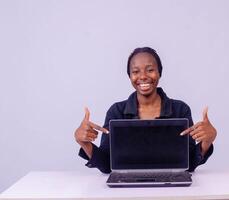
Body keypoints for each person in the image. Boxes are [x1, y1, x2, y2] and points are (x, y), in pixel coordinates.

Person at [74, 47, 217, 173]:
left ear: (159, 73)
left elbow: (189, 164)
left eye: (150, 70)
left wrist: (207, 142)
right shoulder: (116, 111)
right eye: (135, 71)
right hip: (126, 190)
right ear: (130, 76)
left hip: (170, 187)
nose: (143, 76)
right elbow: (106, 165)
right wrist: (84, 143)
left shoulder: (180, 109)